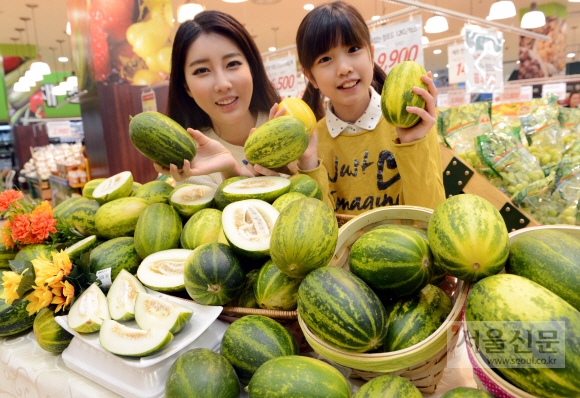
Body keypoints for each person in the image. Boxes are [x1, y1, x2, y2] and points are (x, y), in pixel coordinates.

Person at [288, 1, 445, 215]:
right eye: (325, 59)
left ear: (371, 55)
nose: (344, 69)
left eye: (353, 49)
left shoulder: (414, 123)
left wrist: (412, 143)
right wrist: (308, 163)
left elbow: (429, 215)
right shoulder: (311, 143)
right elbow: (317, 230)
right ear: (310, 77)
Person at [154, 10, 281, 188]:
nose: (223, 84)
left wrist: (306, 168)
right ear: (187, 88)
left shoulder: (285, 123)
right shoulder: (193, 159)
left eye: (232, 64)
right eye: (202, 70)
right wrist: (231, 173)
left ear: (252, 69)